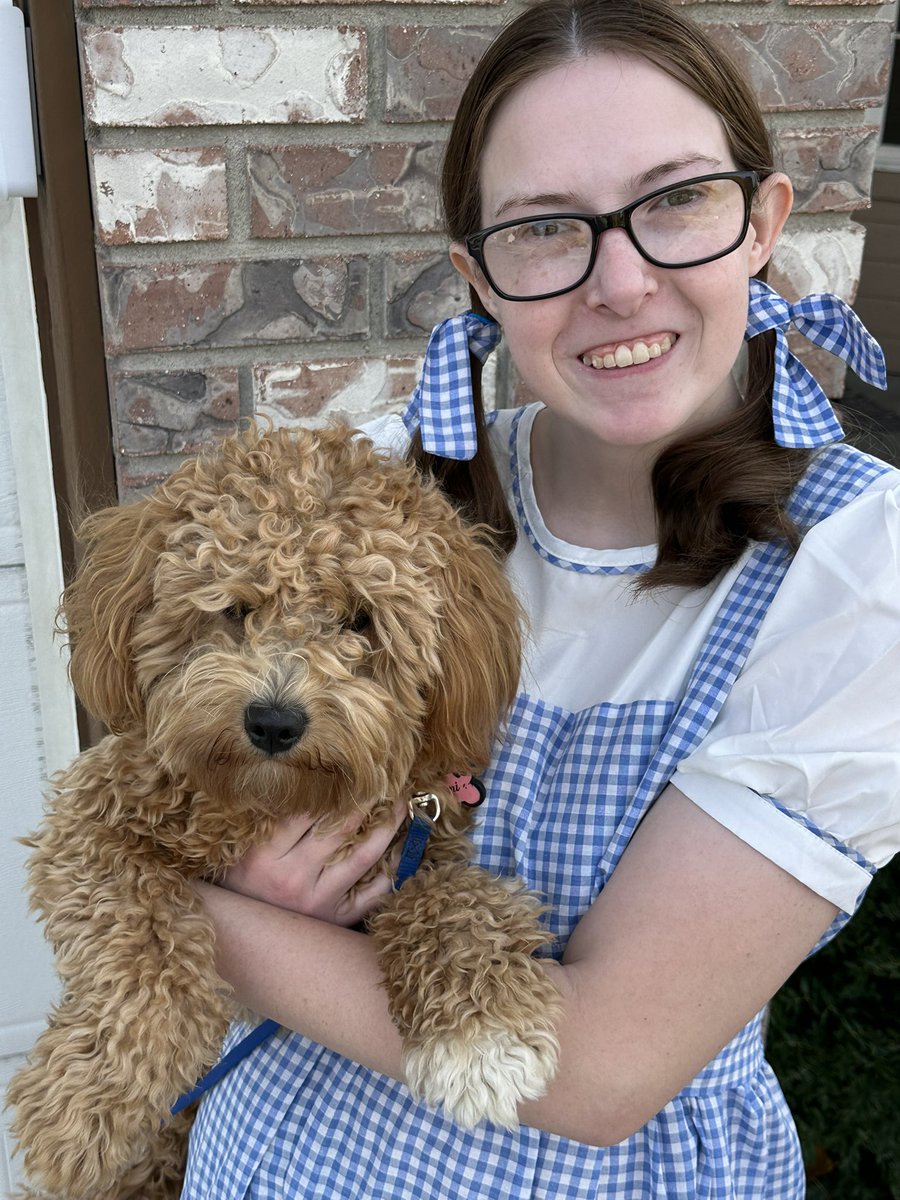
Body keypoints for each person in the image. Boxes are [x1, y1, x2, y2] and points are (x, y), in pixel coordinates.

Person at [181, 1, 900, 1195]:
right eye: (544, 229)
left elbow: (600, 1070)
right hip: (263, 1153)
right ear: (479, 277)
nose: (618, 282)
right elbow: (180, 748)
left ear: (763, 222)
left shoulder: (853, 571)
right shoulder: (385, 477)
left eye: (676, 200)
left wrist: (206, 914)